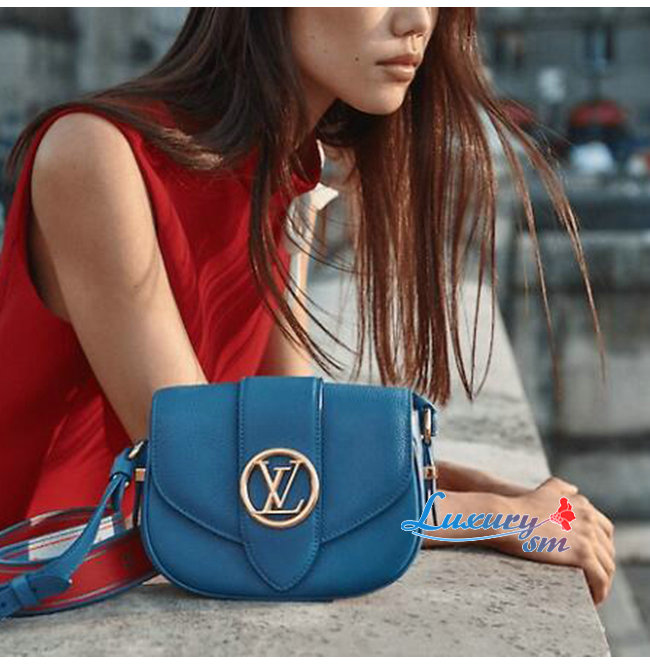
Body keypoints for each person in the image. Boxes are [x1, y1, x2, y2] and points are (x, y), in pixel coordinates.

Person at [0, 8, 614, 605]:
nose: (418, 22)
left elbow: (291, 448)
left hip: (133, 577)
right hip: (36, 587)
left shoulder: (291, 170)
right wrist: (500, 518)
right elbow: (209, 479)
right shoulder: (96, 153)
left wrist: (498, 491)